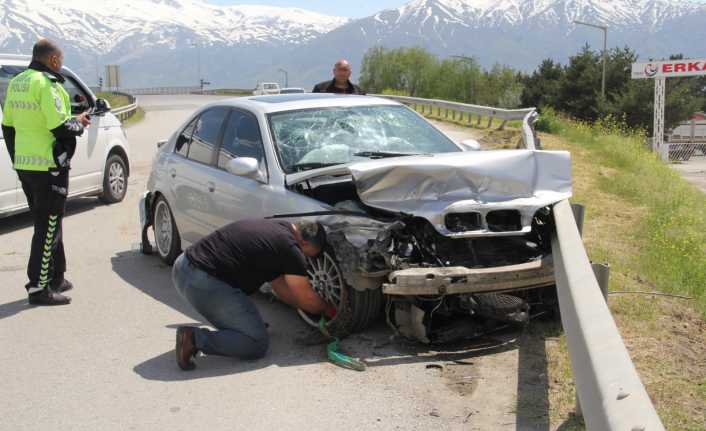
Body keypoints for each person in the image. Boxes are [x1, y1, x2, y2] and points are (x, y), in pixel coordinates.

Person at [172, 219, 336, 371]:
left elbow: (281, 288)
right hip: (203, 282)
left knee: (251, 325)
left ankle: (244, 326)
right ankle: (194, 339)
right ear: (304, 242)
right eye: (309, 255)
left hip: (183, 268)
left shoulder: (278, 230)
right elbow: (305, 297)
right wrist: (327, 309)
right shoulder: (291, 249)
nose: (306, 259)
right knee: (256, 343)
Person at [1, 39, 90, 306]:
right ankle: (38, 287)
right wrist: (80, 122)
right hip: (48, 166)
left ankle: (56, 276)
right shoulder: (47, 84)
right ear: (52, 60)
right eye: (60, 60)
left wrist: (18, 160)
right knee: (47, 225)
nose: (61, 64)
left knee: (50, 221)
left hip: (27, 166)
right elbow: (61, 127)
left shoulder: (17, 83)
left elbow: (8, 127)